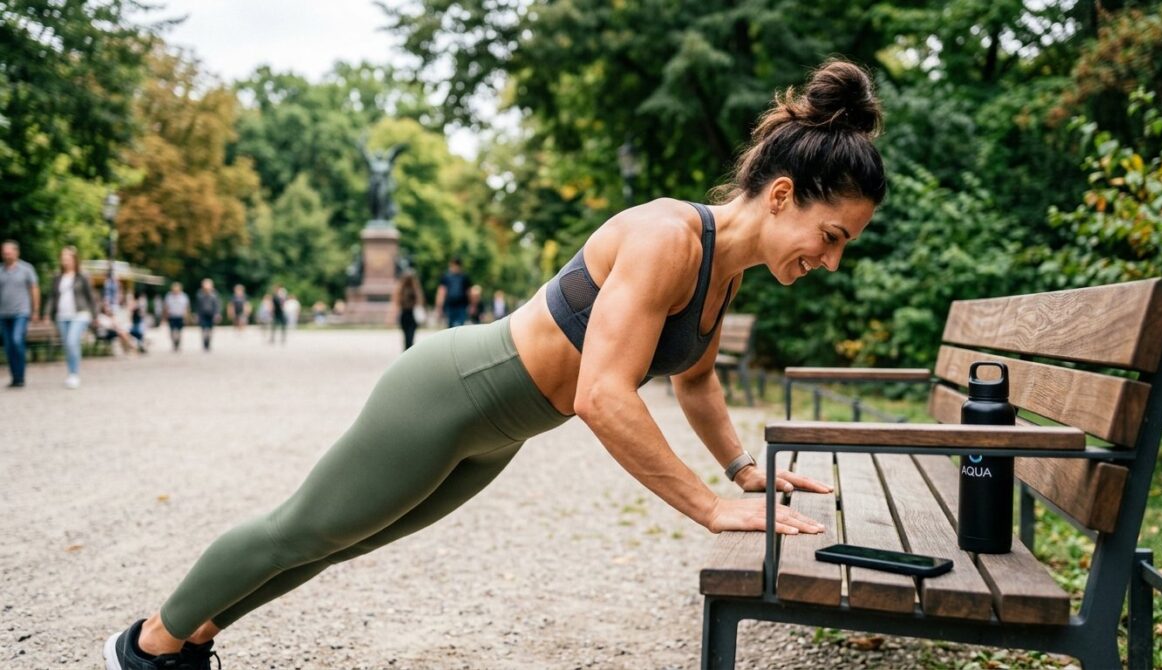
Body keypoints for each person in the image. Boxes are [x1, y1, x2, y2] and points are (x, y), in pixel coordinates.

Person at [104, 60, 886, 670]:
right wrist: (710, 509)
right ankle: (143, 646)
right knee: (301, 528)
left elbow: (696, 382)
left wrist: (746, 473)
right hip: (451, 393)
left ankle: (187, 641)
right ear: (782, 195)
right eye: (833, 235)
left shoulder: (722, 270)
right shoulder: (667, 239)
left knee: (336, 541)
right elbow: (602, 396)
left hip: (496, 434)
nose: (831, 258)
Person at [46, 246, 97, 389]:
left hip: (80, 314)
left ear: (75, 259)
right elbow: (52, 297)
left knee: (72, 341)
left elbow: (91, 297)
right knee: (68, 345)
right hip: (62, 315)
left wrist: (95, 315)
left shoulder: (82, 276)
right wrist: (47, 313)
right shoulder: (58, 277)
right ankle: (70, 373)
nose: (65, 261)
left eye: (68, 258)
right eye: (63, 258)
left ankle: (74, 374)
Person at [0, 240, 40, 388]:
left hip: (21, 312)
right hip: (4, 314)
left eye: (9, 252)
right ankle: (15, 377)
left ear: (16, 252)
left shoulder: (26, 269)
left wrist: (35, 310)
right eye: (4, 252)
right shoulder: (1, 270)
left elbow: (34, 288)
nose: (6, 255)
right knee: (9, 346)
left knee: (17, 340)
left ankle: (21, 375)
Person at [390, 269, 426, 350]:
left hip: (407, 314)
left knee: (407, 336)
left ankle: (407, 350)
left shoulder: (403, 288)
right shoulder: (411, 288)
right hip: (409, 314)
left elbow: (396, 303)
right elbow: (420, 300)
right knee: (410, 336)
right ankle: (408, 350)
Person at [434, 257, 472, 327]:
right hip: (457, 305)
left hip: (455, 305)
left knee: (452, 327)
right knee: (459, 326)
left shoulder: (446, 277)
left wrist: (439, 307)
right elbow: (469, 292)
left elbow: (441, 293)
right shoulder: (464, 277)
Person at [194, 279, 221, 352]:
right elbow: (197, 306)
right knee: (203, 330)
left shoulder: (214, 295)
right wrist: (197, 315)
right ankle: (205, 343)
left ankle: (208, 343)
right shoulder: (199, 294)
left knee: (210, 330)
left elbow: (217, 305)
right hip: (203, 315)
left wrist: (217, 314)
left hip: (211, 315)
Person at [164, 283, 190, 353]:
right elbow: (166, 307)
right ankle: (174, 343)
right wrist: (165, 316)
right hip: (172, 316)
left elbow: (186, 307)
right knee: (172, 331)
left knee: (179, 332)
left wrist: (186, 317)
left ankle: (178, 344)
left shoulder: (184, 296)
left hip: (180, 316)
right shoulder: (169, 296)